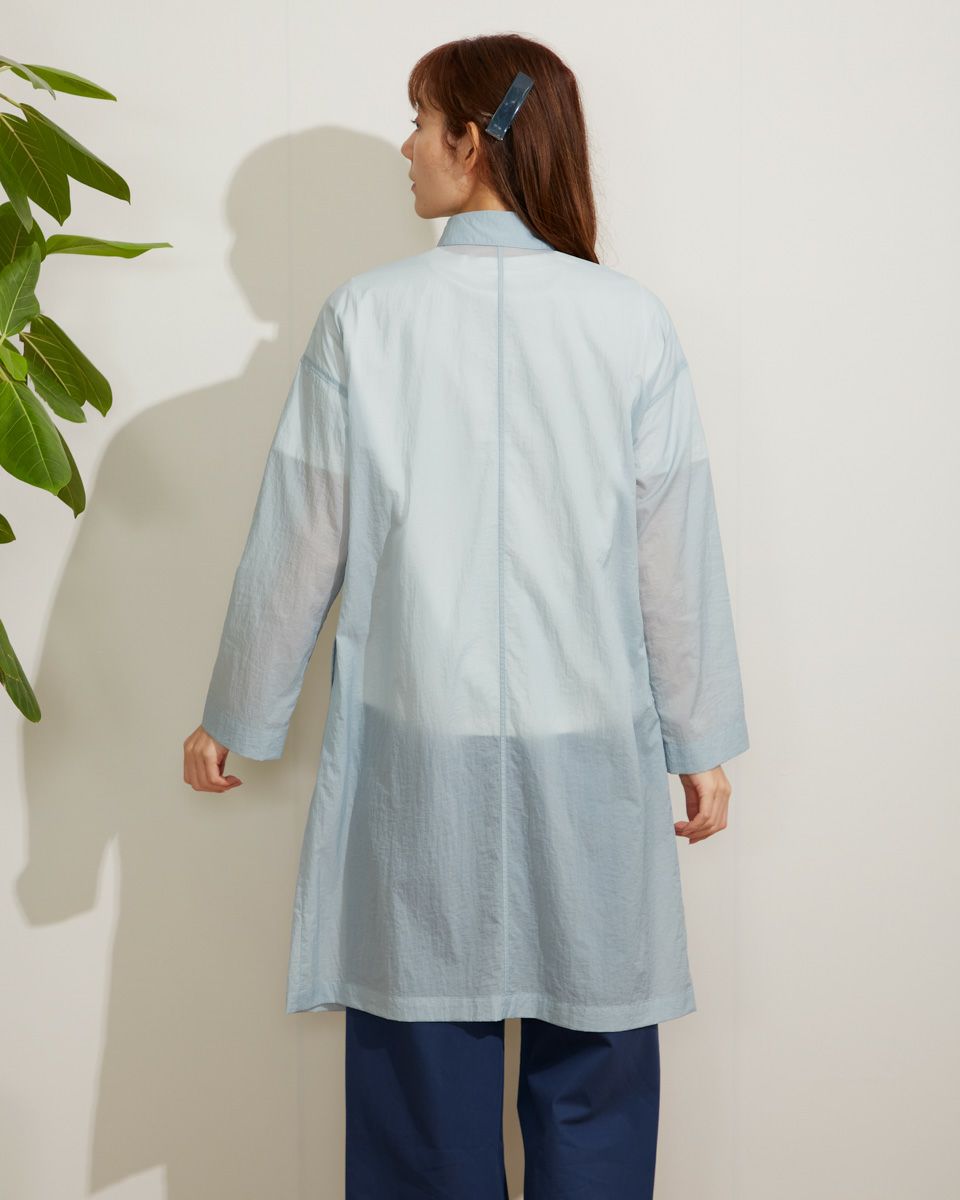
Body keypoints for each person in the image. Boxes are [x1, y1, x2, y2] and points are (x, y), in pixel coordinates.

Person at [183, 31, 749, 1200]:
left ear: (472, 140)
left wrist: (237, 713)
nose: (405, 148)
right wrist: (699, 741)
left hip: (418, 757)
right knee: (595, 1090)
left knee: (419, 1102)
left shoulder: (367, 317)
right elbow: (674, 553)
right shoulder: (628, 321)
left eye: (417, 121)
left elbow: (302, 534)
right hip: (589, 752)